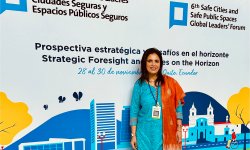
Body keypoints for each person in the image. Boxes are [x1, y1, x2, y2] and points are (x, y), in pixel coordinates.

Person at [130, 48, 185, 150]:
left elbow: (178, 107)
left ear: (160, 64)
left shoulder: (170, 83)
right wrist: (133, 135)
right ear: (144, 63)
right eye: (149, 61)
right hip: (144, 135)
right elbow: (134, 111)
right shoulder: (139, 85)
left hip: (165, 135)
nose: (153, 64)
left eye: (156, 61)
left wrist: (179, 129)